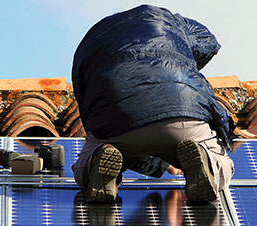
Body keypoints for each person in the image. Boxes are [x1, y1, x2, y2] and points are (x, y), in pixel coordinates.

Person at [71, 4, 235, 204]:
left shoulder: (91, 39)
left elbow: (87, 112)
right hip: (182, 113)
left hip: (114, 123)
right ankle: (207, 164)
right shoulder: (172, 22)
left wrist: (156, 164)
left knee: (88, 165)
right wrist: (226, 130)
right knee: (220, 160)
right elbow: (209, 43)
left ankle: (95, 163)